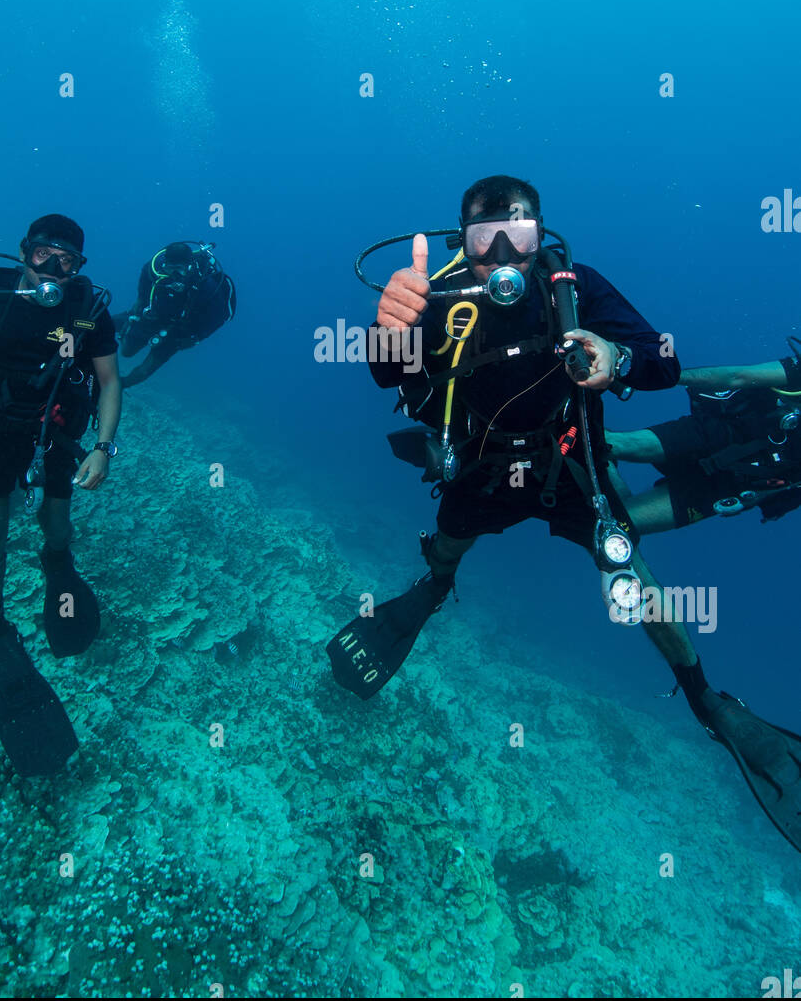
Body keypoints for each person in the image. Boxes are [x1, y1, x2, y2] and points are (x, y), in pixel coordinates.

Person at [326, 175, 801, 854]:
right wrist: (389, 330)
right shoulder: (440, 292)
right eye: (482, 239)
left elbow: (665, 364)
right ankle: (434, 588)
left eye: (515, 236)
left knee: (629, 572)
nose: (499, 256)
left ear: (539, 234)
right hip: (480, 467)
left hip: (568, 467)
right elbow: (386, 376)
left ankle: (704, 696)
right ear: (462, 240)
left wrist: (619, 356)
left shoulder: (573, 286)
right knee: (450, 546)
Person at [0, 214, 121, 776]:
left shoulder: (86, 311)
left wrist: (103, 448)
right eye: (45, 255)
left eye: (68, 262)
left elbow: (110, 382)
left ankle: (58, 564)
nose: (55, 270)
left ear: (78, 268)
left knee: (56, 524)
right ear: (24, 252)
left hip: (52, 435)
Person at [606, 347, 801, 532]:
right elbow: (737, 377)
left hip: (735, 483)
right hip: (714, 435)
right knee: (612, 445)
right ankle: (592, 440)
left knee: (617, 525)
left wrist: (756, 497)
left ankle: (604, 467)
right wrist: (667, 376)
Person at [112, 241, 235, 388]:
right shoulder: (154, 270)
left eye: (180, 269)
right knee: (126, 351)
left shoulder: (205, 286)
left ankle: (116, 387)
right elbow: (145, 276)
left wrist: (197, 338)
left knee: (146, 369)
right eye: (171, 268)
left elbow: (219, 316)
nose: (175, 274)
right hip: (154, 317)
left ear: (189, 266)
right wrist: (140, 302)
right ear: (165, 265)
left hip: (180, 331)